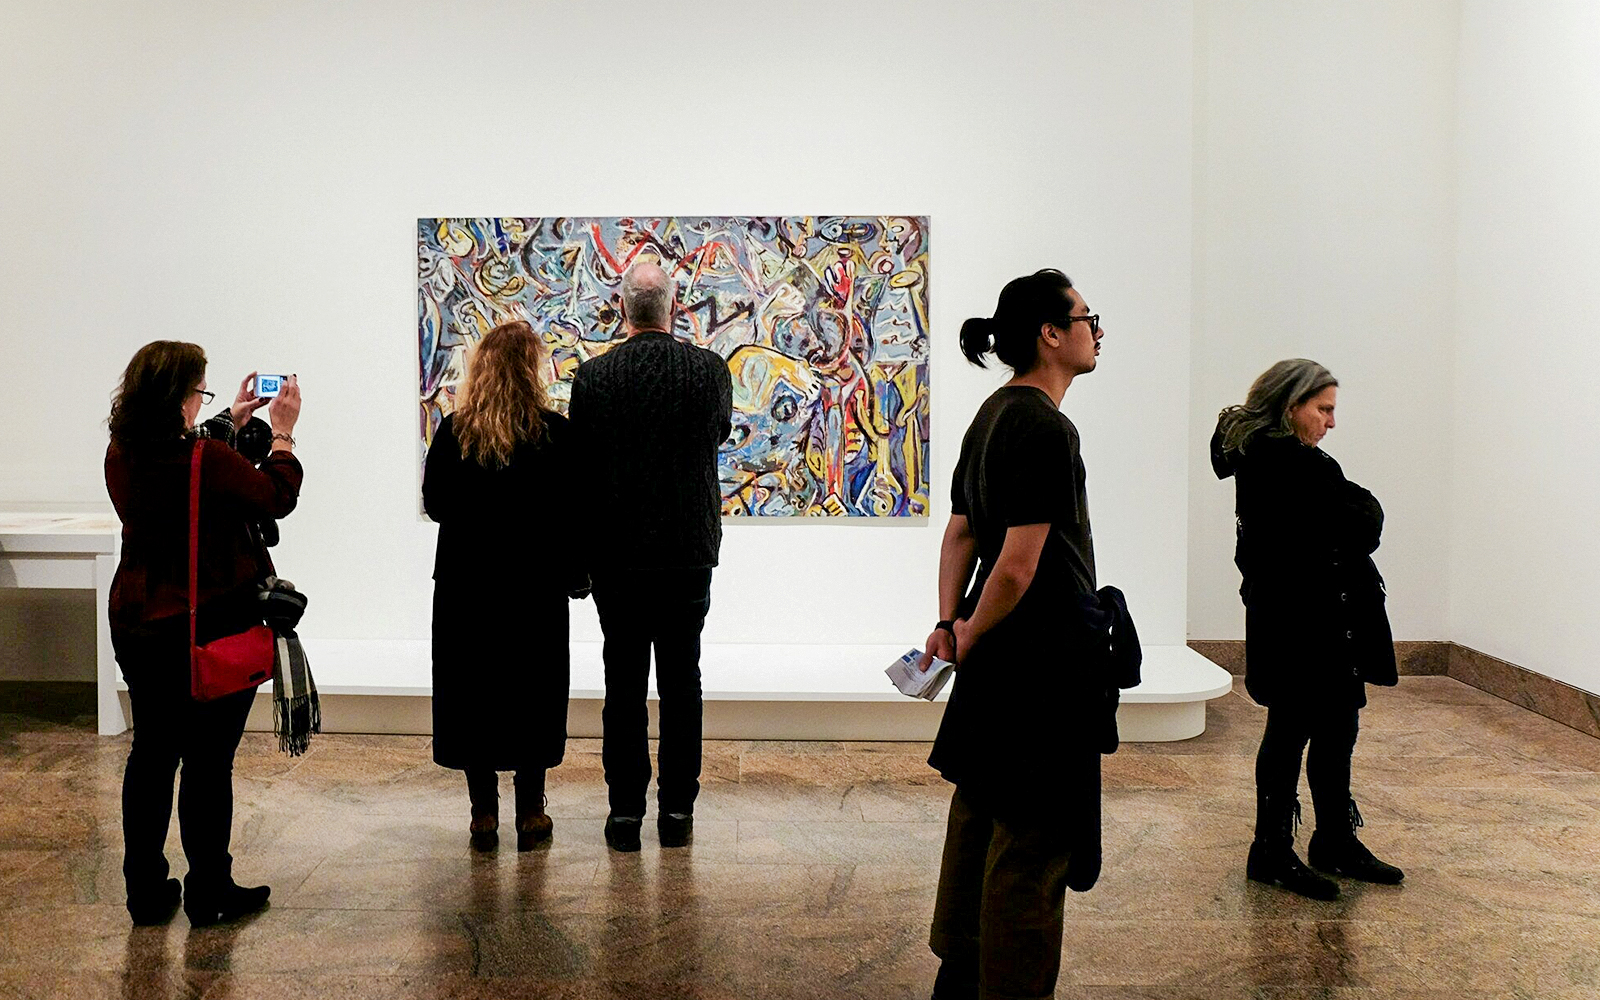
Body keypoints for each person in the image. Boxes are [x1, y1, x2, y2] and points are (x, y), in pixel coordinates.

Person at [921, 268, 1107, 1000]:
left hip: (998, 662)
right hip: (1042, 667)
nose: (1097, 332)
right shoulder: (1043, 425)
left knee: (979, 816)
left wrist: (951, 624)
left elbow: (961, 534)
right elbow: (1017, 566)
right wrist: (965, 629)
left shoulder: (993, 412)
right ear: (1051, 335)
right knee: (1033, 844)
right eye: (1088, 318)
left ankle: (959, 974)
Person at [104, 343, 302, 926]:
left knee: (152, 754)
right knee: (209, 762)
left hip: (138, 624)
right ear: (179, 399)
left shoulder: (122, 453)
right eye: (200, 392)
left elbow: (183, 461)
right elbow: (275, 496)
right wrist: (283, 436)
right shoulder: (207, 463)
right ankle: (210, 888)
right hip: (203, 626)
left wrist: (229, 421)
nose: (202, 402)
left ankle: (144, 890)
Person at [1211, 359, 1404, 901]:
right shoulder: (1281, 465)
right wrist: (1358, 506)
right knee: (1292, 730)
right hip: (1301, 623)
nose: (1331, 423)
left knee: (1338, 725)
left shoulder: (1296, 463)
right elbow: (1363, 522)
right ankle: (1269, 850)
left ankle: (1334, 839)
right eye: (1323, 409)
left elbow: (1351, 524)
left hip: (1323, 617)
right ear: (1290, 406)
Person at [567, 260, 732, 852]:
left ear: (622, 310)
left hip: (618, 556)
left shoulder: (593, 379)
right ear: (673, 307)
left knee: (624, 684)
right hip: (688, 553)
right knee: (683, 681)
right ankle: (678, 812)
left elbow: (582, 472)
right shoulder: (709, 371)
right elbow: (717, 434)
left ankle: (624, 814)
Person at [423, 319, 579, 852]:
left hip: (468, 587)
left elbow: (437, 503)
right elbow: (573, 513)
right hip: (533, 587)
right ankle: (531, 811)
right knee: (531, 690)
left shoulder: (454, 430)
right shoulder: (554, 433)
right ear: (531, 372)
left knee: (475, 692)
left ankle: (483, 814)